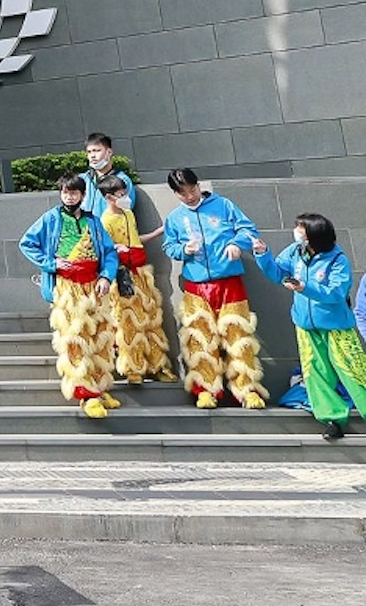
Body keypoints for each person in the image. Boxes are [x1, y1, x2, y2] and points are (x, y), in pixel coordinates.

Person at [162, 167, 267, 410]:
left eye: (192, 189)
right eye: (183, 193)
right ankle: (206, 389)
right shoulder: (175, 218)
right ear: (175, 194)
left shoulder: (224, 205)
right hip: (196, 286)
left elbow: (248, 229)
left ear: (199, 185)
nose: (190, 196)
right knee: (200, 339)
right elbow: (169, 246)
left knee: (238, 336)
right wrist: (183, 251)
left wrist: (235, 243)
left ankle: (247, 390)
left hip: (229, 281)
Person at [19, 176, 122, 419]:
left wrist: (106, 277)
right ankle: (85, 393)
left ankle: (100, 386)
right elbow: (27, 243)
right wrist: (51, 263)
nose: (70, 197)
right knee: (75, 339)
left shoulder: (93, 222)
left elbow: (109, 252)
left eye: (74, 193)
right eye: (66, 192)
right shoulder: (51, 218)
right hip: (67, 286)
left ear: (83, 195)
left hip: (93, 286)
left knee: (100, 337)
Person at [254, 213, 361, 441]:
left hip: (336, 327)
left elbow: (336, 292)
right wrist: (263, 255)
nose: (297, 232)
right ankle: (332, 419)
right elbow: (277, 273)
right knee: (315, 373)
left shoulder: (337, 259)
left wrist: (305, 287)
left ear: (314, 234)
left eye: (301, 229)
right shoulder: (295, 251)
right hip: (305, 326)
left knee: (354, 371)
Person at [98, 175, 174, 385]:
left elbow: (135, 239)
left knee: (150, 317)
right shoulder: (105, 220)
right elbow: (104, 248)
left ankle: (157, 365)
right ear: (109, 197)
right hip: (123, 275)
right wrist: (115, 248)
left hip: (141, 271)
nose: (125, 197)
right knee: (128, 321)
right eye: (120, 194)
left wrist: (156, 233)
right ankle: (133, 367)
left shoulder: (128, 214)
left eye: (125, 193)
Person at [78, 133, 133, 218]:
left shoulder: (122, 180)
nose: (92, 156)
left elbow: (126, 210)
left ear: (109, 152)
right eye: (89, 152)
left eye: (97, 150)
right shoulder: (82, 179)